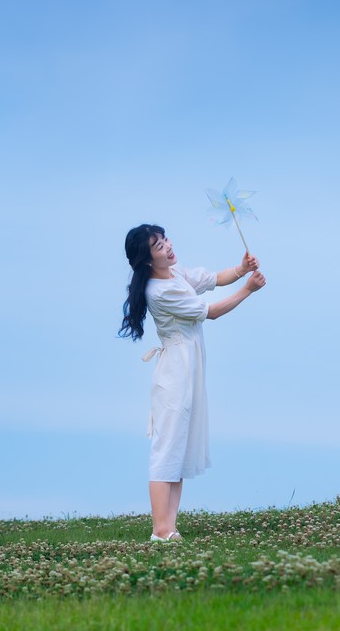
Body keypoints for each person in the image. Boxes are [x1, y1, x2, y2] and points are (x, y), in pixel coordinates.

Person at [119, 223, 266, 542]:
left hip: (189, 367)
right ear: (147, 260)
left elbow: (212, 279)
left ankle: (169, 527)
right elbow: (210, 312)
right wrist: (248, 290)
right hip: (175, 371)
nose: (168, 247)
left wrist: (241, 269)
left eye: (165, 240)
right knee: (167, 446)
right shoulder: (161, 290)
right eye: (159, 247)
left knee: (179, 448)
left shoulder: (176, 274)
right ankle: (160, 530)